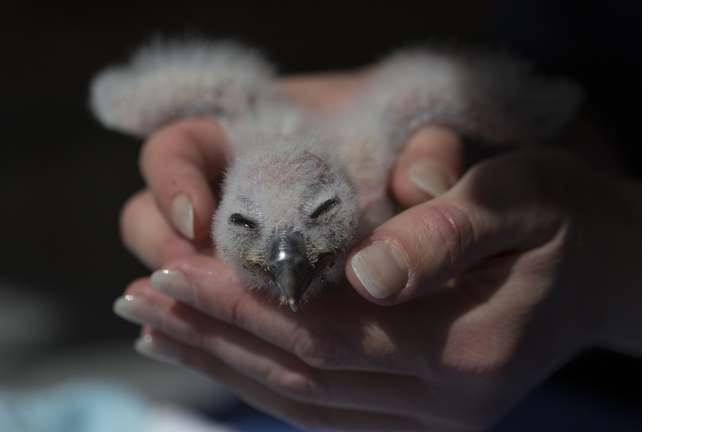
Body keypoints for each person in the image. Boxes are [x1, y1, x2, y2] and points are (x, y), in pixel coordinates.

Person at [112, 70, 641, 431]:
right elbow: (584, 92)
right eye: (245, 225)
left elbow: (547, 97)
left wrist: (624, 265)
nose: (287, 261)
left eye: (321, 214)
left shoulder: (371, 169)